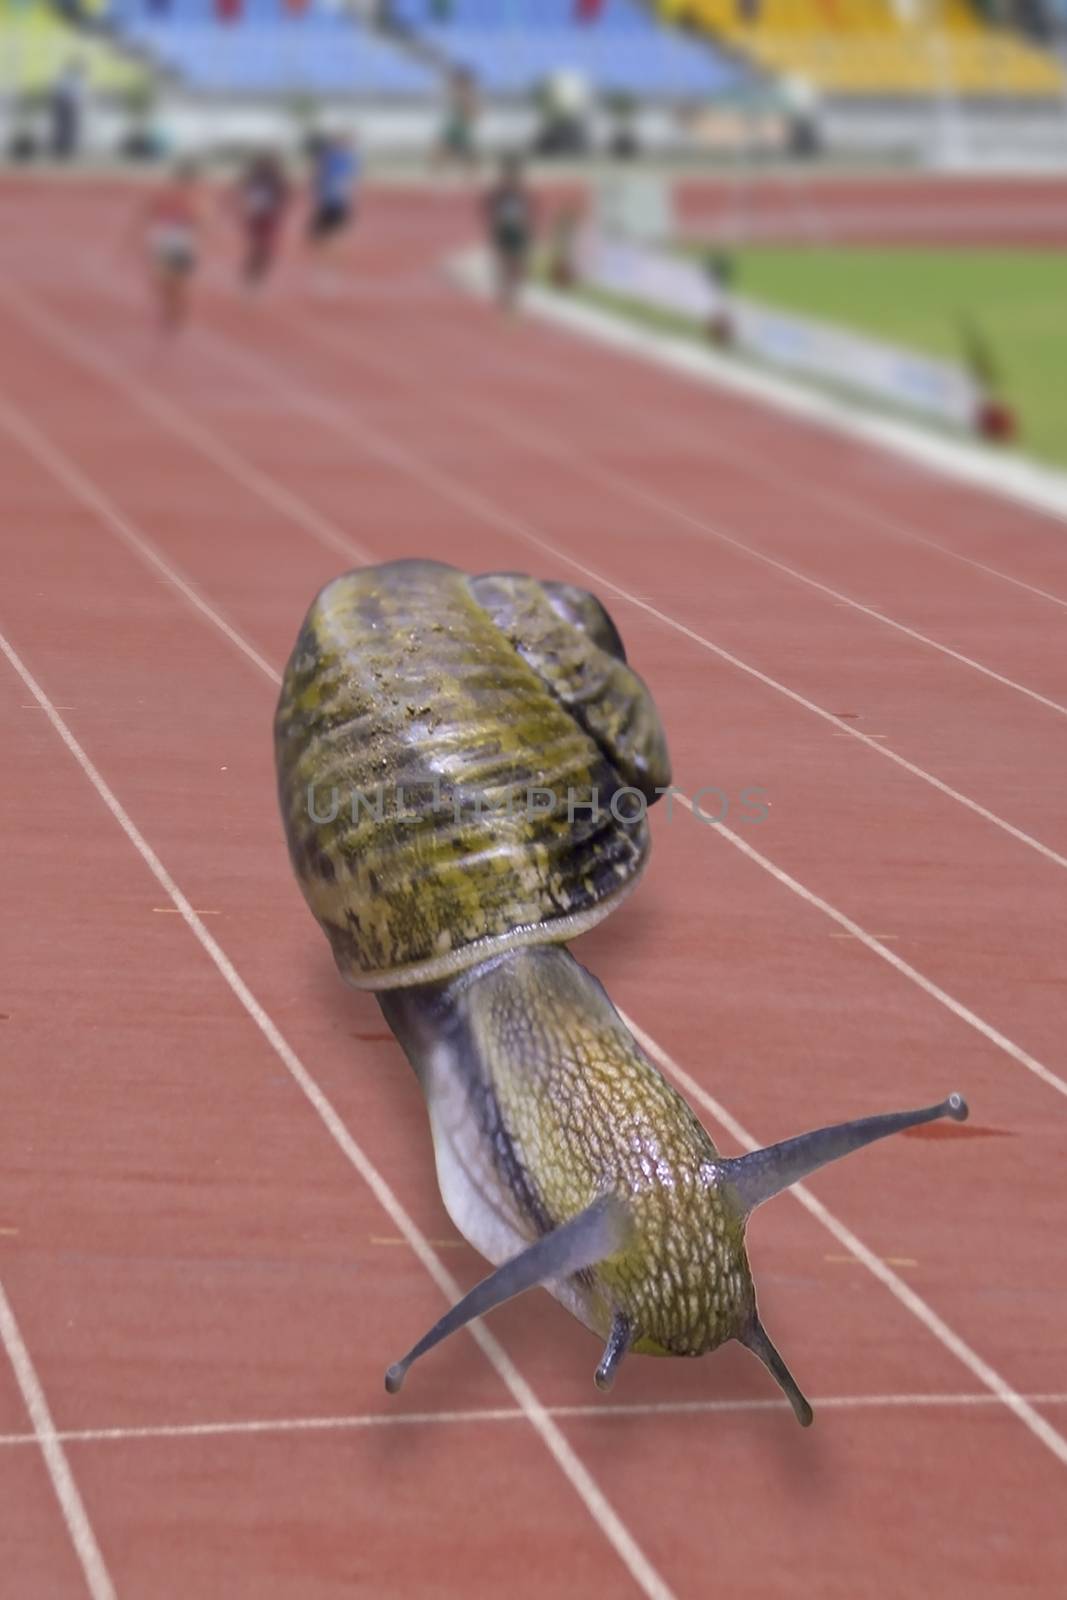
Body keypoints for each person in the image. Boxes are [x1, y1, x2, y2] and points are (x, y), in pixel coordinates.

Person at [135, 160, 203, 334]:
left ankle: (175, 311)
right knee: (161, 281)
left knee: (177, 283)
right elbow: (146, 213)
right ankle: (171, 308)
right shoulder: (163, 194)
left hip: (181, 246)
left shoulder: (195, 199)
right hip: (162, 244)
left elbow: (200, 223)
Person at [306, 130, 361, 291]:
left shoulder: (336, 159)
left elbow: (319, 178)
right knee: (324, 239)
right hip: (333, 203)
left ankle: (327, 272)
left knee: (328, 239)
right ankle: (327, 272)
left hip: (333, 204)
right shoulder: (344, 159)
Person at [230, 150, 291, 287]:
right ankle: (251, 273)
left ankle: (254, 274)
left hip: (269, 217)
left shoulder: (276, 179)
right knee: (259, 247)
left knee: (265, 248)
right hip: (257, 216)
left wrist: (280, 207)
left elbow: (285, 196)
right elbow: (240, 188)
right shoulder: (255, 177)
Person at [483, 154, 535, 314]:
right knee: (504, 265)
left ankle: (512, 296)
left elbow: (530, 213)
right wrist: (494, 228)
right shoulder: (498, 193)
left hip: (518, 231)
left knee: (517, 265)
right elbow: (489, 212)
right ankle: (506, 296)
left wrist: (529, 229)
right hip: (504, 231)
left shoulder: (523, 193)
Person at [434, 67, 480, 176]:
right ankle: (438, 174)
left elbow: (474, 112)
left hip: (462, 127)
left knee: (468, 154)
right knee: (442, 151)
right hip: (454, 127)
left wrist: (469, 112)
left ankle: (471, 175)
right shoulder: (456, 93)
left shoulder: (468, 95)